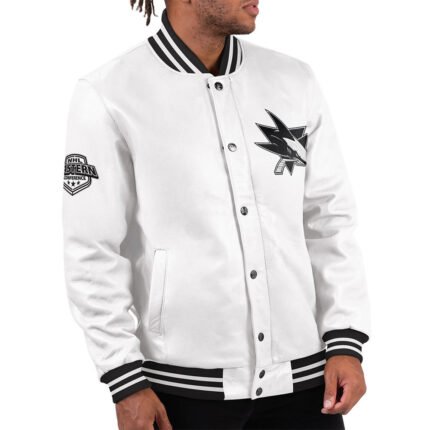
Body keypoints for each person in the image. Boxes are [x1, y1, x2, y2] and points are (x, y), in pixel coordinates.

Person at [62, 0, 371, 429]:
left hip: (306, 386)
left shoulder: (293, 81)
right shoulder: (109, 94)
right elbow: (92, 250)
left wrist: (344, 341)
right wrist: (124, 380)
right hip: (181, 396)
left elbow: (329, 221)